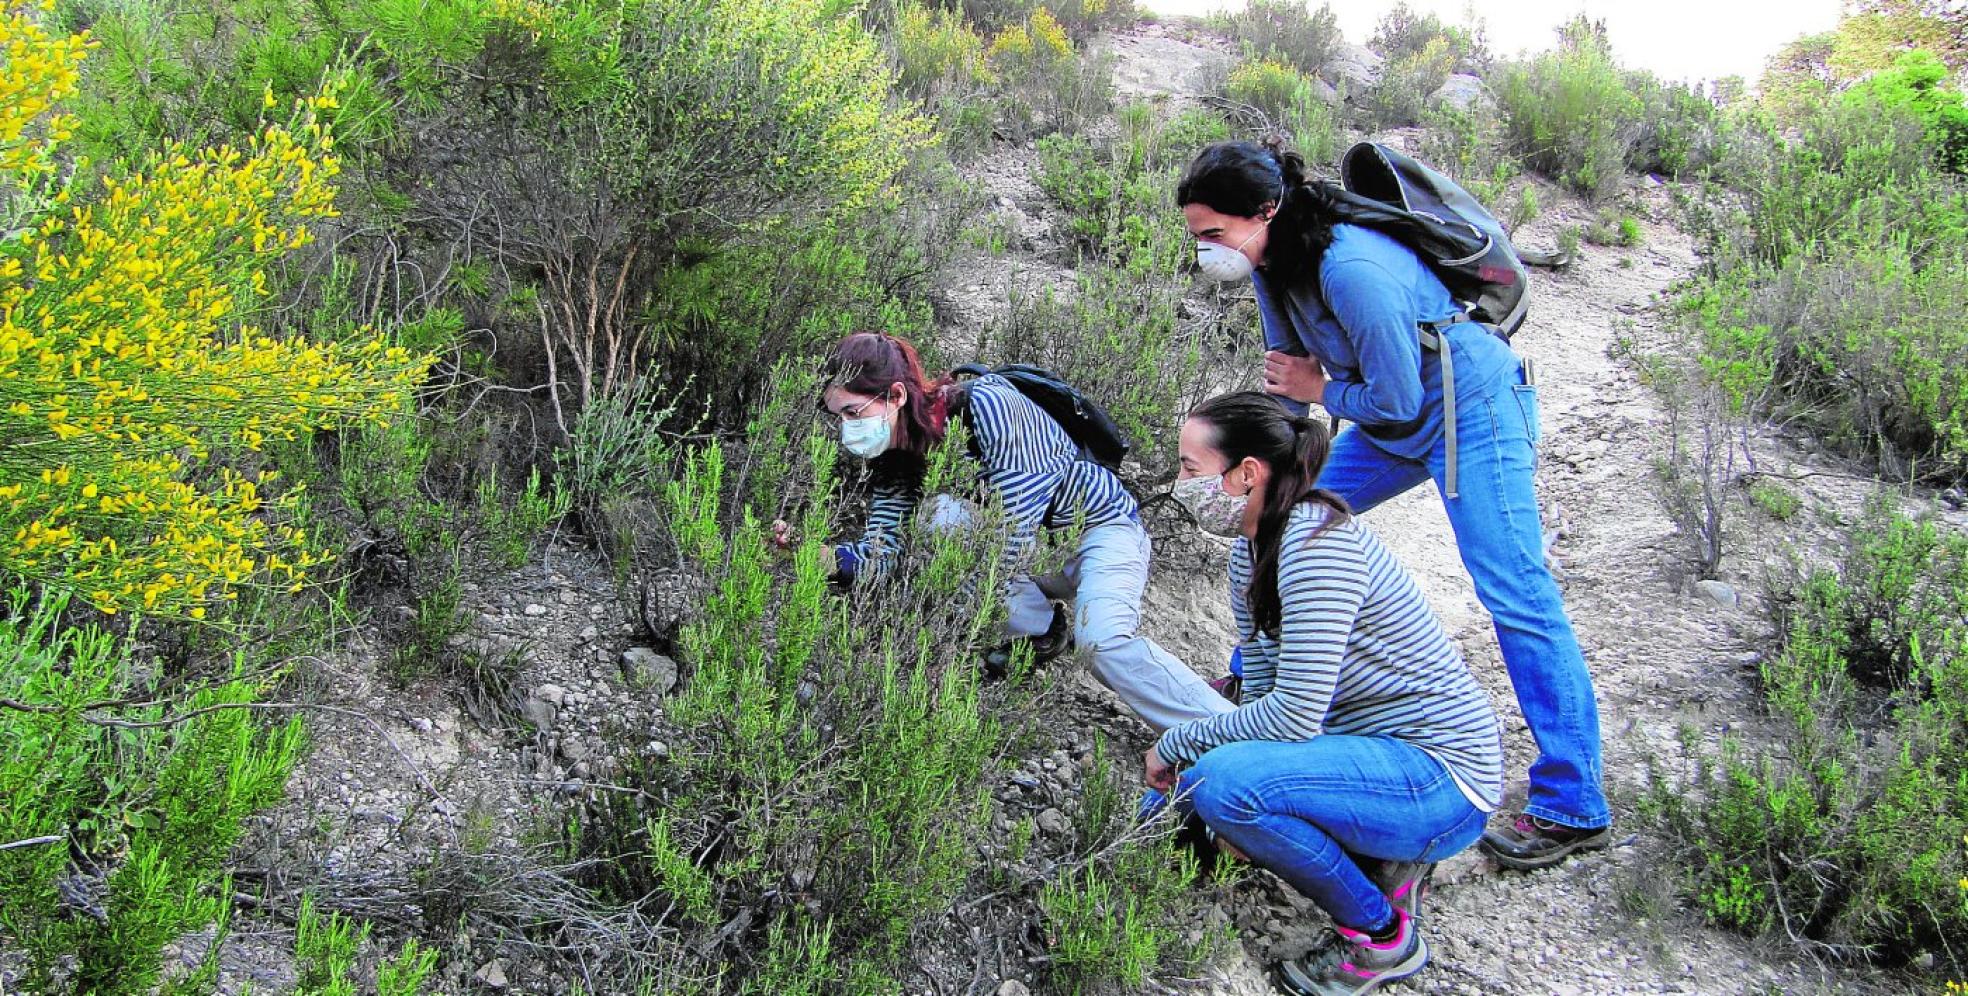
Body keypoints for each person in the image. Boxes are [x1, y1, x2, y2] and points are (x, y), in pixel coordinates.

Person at [1174, 139, 1612, 870]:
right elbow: (1288, 381)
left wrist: (1323, 393)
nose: (1207, 251)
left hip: (1470, 405)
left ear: (1265, 210)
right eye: (1197, 238)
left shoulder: (1352, 267)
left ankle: (1574, 801)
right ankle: (1255, 679)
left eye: (1214, 234)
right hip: (1391, 417)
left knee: (1515, 593)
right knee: (1278, 515)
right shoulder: (1270, 265)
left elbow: (1384, 394)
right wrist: (1286, 426)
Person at [1149, 392, 1503, 995]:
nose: (1178, 481)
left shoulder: (1319, 547)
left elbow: (1293, 717)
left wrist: (1181, 743)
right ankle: (1382, 860)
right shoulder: (1250, 552)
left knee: (1224, 786)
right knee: (1204, 788)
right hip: (1373, 756)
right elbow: (1260, 692)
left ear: (1247, 474)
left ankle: (1381, 936)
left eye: (1190, 467)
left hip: (1442, 779)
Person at [798, 331, 1232, 731]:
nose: (846, 429)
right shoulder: (894, 458)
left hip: (1099, 531)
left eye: (853, 412)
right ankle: (1039, 632)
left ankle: (1222, 731)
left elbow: (1012, 529)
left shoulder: (988, 404)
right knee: (940, 518)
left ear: (895, 394)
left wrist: (944, 642)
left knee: (1102, 644)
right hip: (1031, 552)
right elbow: (885, 554)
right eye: (839, 417)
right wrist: (822, 558)